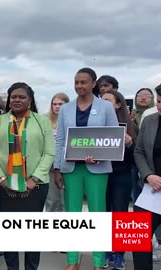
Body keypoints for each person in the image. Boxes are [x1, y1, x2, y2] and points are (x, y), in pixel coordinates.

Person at [54, 68, 118, 270]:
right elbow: (61, 140)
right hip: (71, 169)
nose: (79, 86)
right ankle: (72, 261)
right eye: (76, 82)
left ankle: (98, 262)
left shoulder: (105, 107)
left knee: (97, 214)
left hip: (96, 170)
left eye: (83, 82)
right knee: (72, 214)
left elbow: (113, 138)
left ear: (93, 83)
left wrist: (101, 156)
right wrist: (57, 168)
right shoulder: (66, 109)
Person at [0, 82, 55, 270]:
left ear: (30, 100)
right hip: (3, 185)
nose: (17, 100)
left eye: (22, 97)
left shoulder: (41, 121)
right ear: (9, 99)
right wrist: (1, 179)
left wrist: (34, 179)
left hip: (35, 186)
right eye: (13, 96)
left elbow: (49, 152)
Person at [133, 78, 161, 270]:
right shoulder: (149, 120)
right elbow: (139, 151)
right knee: (135, 234)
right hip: (152, 188)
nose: (160, 106)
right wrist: (148, 175)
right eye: (158, 101)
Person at [101, 91, 138, 269]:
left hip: (121, 175)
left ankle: (119, 255)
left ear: (118, 105)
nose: (102, 103)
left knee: (120, 215)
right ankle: (106, 252)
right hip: (100, 174)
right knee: (103, 214)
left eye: (107, 101)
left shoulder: (128, 126)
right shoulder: (96, 124)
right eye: (101, 100)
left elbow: (137, 156)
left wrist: (130, 144)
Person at [45, 92, 69, 213]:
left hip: (66, 164)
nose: (57, 106)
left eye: (60, 104)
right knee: (52, 200)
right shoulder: (45, 121)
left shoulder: (71, 120)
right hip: (50, 166)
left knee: (66, 201)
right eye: (54, 104)